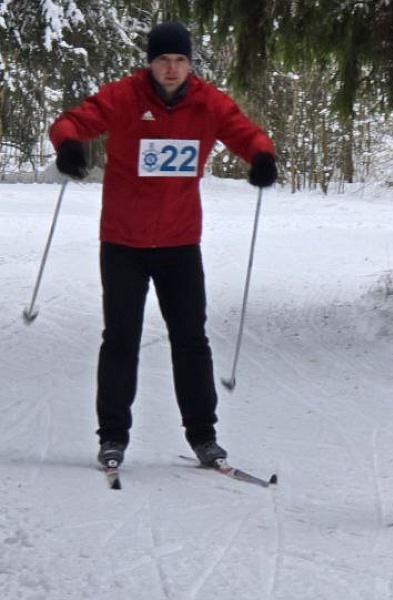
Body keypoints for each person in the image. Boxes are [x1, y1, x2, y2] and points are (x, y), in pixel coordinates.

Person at [49, 21, 278, 471]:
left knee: (191, 339)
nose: (171, 69)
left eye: (179, 60)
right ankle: (112, 437)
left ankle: (204, 437)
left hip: (179, 242)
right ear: (149, 62)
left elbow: (245, 133)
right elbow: (70, 122)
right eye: (162, 60)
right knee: (120, 339)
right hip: (123, 242)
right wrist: (69, 145)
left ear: (189, 64)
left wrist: (262, 155)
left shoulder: (208, 103)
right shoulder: (122, 97)